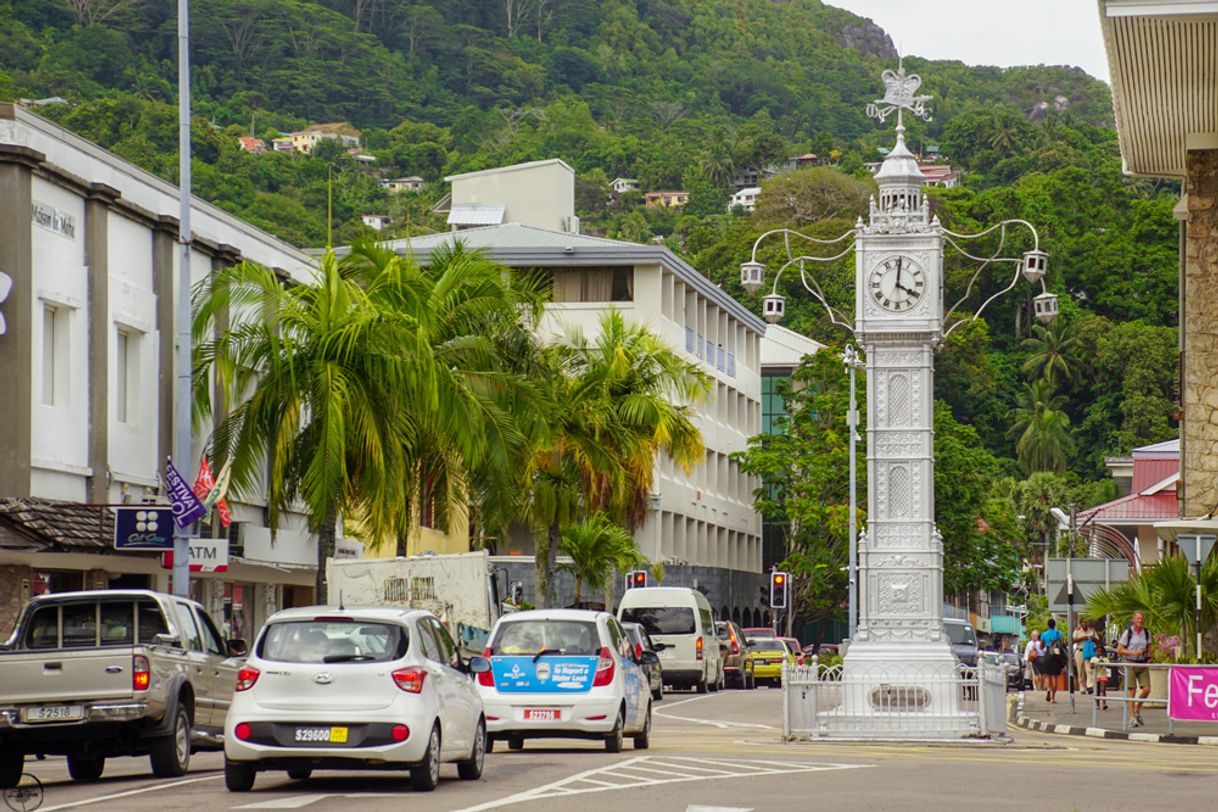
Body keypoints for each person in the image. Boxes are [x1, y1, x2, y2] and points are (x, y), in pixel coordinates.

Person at [1117, 611, 1153, 727]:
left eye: (1141, 619)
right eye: (1138, 618)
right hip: (1130, 663)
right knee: (1131, 691)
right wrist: (1134, 652)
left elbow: (1149, 646)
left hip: (1142, 663)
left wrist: (1151, 657)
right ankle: (1132, 717)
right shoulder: (1128, 633)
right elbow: (1120, 649)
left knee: (1147, 689)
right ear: (1133, 619)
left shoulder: (1146, 632)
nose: (1140, 621)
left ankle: (1137, 710)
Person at [1039, 618, 1067, 703]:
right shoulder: (1059, 634)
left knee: (1048, 676)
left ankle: (1048, 689)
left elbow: (1041, 646)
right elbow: (1063, 644)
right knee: (1055, 677)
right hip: (1056, 655)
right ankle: (1053, 698)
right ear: (1055, 625)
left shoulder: (1044, 634)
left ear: (1048, 625)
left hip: (1048, 654)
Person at [1092, 642, 1110, 710]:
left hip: (1103, 675)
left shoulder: (1105, 659)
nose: (1099, 653)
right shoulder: (1093, 658)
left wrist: (1103, 662)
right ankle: (1097, 704)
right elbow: (1091, 666)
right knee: (1097, 690)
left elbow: (1108, 665)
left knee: (1102, 689)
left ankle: (1104, 703)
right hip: (1096, 675)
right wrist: (1096, 664)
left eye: (1101, 651)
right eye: (1098, 651)